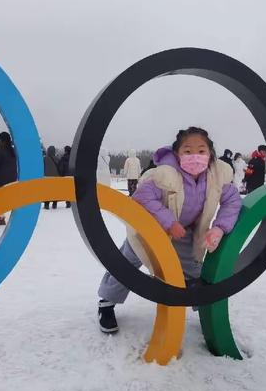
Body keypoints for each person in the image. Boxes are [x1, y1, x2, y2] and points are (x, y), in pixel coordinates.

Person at [97, 126, 242, 333]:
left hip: (186, 232)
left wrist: (219, 228)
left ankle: (204, 305)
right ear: (177, 154)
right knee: (127, 262)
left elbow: (232, 202)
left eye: (201, 151)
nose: (195, 157)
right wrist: (168, 222)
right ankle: (107, 302)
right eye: (187, 151)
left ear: (210, 155)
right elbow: (142, 197)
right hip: (149, 229)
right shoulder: (164, 174)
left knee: (194, 270)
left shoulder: (217, 176)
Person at [0, 132, 18, 226]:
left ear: (2, 140)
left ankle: (1, 218)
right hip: (12, 178)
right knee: (9, 199)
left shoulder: (0, 150)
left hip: (0, 179)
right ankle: (15, 218)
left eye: (0, 140)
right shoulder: (13, 150)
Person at [44, 145, 59, 210]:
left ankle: (46, 204)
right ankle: (54, 204)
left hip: (47, 177)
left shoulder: (44, 159)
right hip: (56, 177)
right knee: (55, 191)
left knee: (47, 191)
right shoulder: (57, 159)